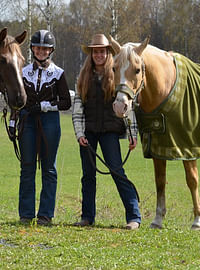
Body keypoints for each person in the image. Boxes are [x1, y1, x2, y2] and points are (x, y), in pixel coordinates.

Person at [72, 33, 141, 230]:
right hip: (89, 132)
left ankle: (134, 217)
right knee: (88, 175)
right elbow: (78, 108)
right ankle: (87, 217)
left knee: (117, 172)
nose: (99, 55)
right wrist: (79, 134)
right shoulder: (83, 76)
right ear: (91, 54)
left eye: (102, 51)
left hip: (110, 131)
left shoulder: (117, 74)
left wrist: (132, 134)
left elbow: (128, 106)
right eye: (95, 52)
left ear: (107, 53)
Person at [16, 30, 71, 225]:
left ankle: (46, 214)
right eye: (38, 48)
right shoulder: (23, 72)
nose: (41, 51)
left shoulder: (58, 74)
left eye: (44, 48)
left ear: (51, 50)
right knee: (27, 166)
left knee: (49, 168)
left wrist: (45, 105)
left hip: (49, 121)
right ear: (32, 49)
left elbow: (66, 103)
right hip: (28, 120)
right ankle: (26, 213)